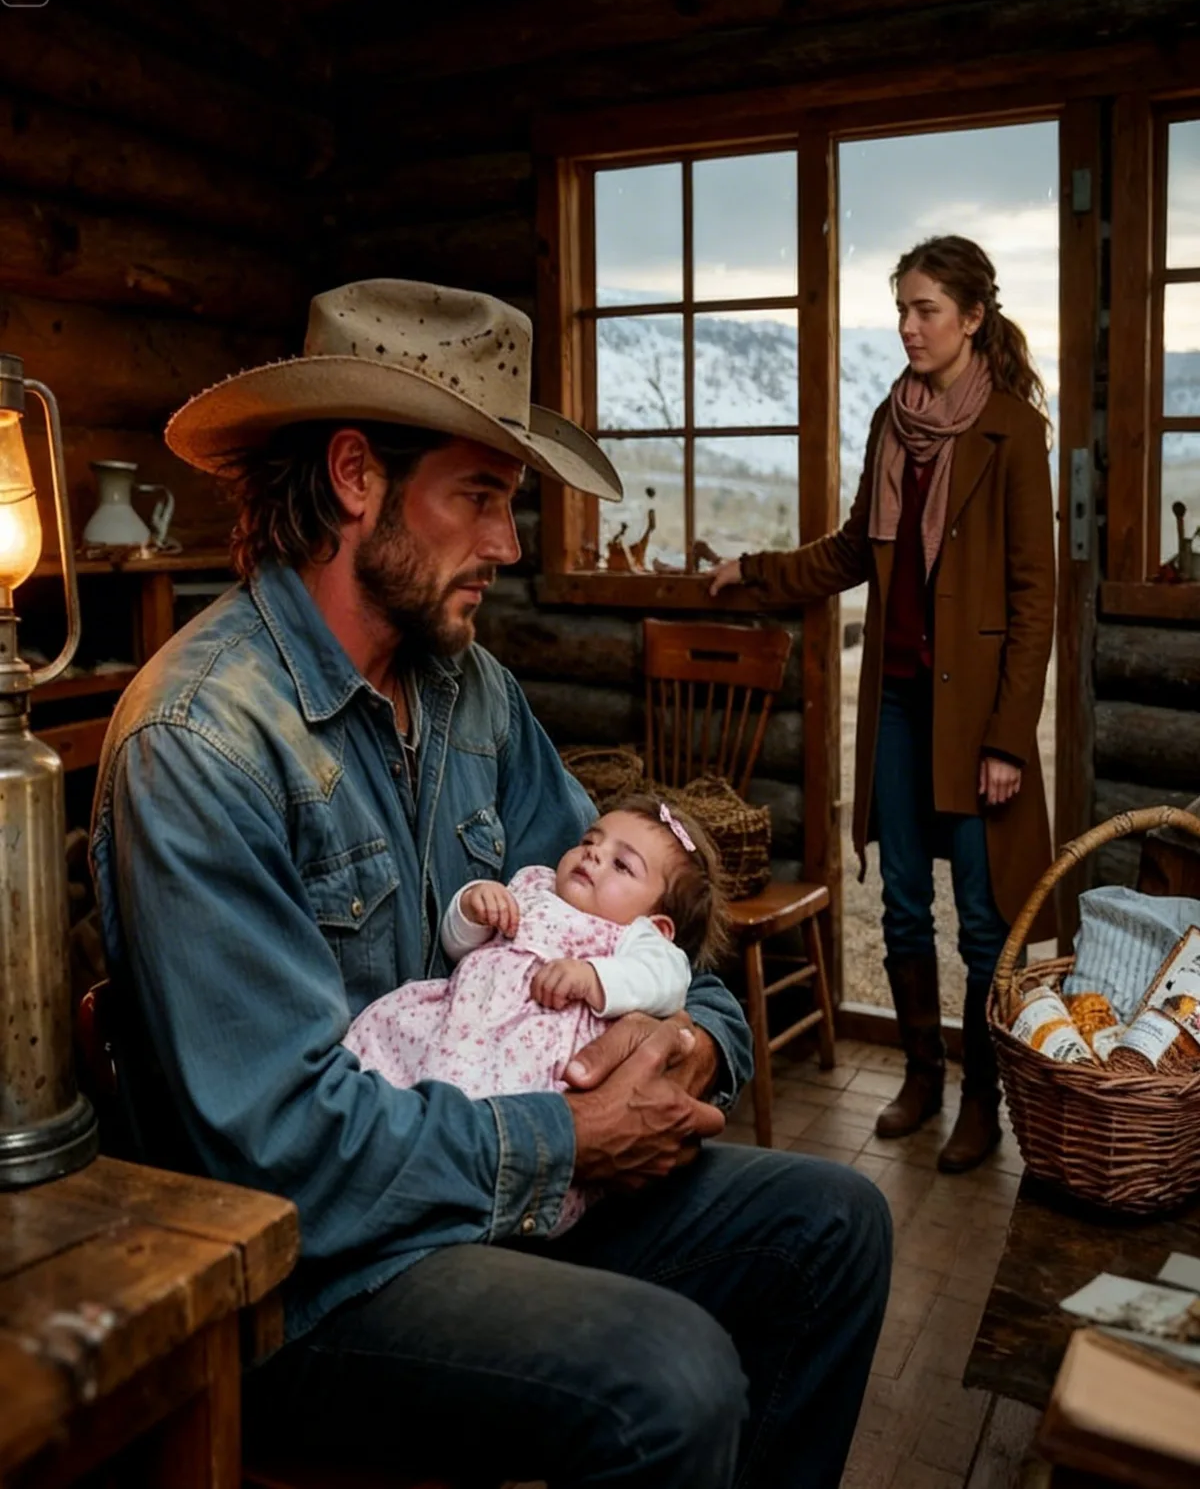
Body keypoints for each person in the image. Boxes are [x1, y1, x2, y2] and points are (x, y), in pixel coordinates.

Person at [90, 278, 891, 1489]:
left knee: (837, 1229)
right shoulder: (201, 741)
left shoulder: (473, 696)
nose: (511, 547)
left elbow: (643, 933)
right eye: (480, 497)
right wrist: (567, 1139)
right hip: (320, 1278)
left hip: (504, 1188)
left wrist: (691, 1049)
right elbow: (281, 1152)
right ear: (357, 478)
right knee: (665, 1382)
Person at [711, 235, 1055, 1174]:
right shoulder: (889, 421)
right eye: (900, 309)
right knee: (904, 903)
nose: (907, 327)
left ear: (973, 317)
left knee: (984, 921)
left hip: (979, 720)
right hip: (899, 705)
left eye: (925, 310)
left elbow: (1036, 602)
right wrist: (755, 570)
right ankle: (921, 1080)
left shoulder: (1016, 434)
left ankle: (982, 1102)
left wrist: (1010, 741)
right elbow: (854, 550)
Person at [345, 795, 728, 1232]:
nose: (594, 854)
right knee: (390, 1054)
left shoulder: (635, 939)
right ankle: (390, 1151)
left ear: (659, 925)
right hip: (461, 1017)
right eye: (591, 840)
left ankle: (477, 1196)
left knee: (495, 1104)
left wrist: (594, 977)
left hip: (531, 1053)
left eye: (622, 866)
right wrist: (474, 906)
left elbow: (668, 978)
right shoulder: (534, 885)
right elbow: (460, 945)